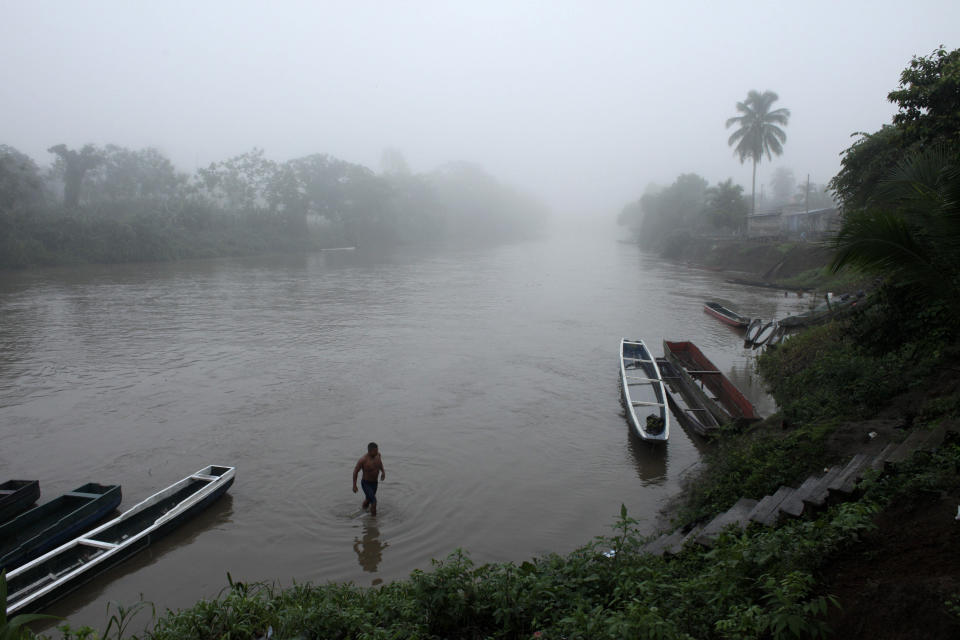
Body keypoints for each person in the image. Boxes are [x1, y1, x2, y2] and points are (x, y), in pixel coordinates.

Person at [353, 442, 386, 516]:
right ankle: (373, 521)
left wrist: (383, 472)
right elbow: (355, 472)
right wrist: (354, 485)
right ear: (370, 451)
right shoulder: (363, 460)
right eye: (375, 451)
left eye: (377, 450)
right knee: (374, 501)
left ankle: (363, 509)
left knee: (368, 499)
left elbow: (380, 463)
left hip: (375, 483)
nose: (377, 452)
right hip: (366, 483)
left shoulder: (378, 455)